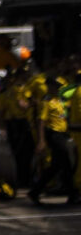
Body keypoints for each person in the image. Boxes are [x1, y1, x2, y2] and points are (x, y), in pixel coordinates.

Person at [0, 53, 42, 196]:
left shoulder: (23, 89)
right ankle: (23, 179)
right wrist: (34, 103)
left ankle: (26, 178)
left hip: (23, 123)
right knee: (22, 152)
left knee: (27, 152)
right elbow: (22, 106)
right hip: (18, 124)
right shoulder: (16, 89)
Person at [34, 77, 77, 207]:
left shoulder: (61, 101)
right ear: (49, 86)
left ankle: (35, 192)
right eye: (55, 86)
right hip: (53, 134)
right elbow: (41, 122)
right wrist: (41, 140)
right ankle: (73, 194)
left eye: (58, 86)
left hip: (62, 134)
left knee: (56, 166)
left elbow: (64, 118)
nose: (57, 88)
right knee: (66, 163)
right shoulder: (47, 101)